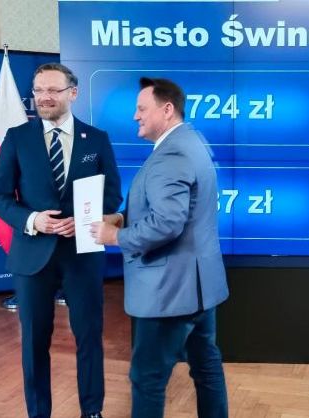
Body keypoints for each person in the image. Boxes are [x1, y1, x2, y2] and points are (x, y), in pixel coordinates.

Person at [0, 63, 122, 418]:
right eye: (38, 90)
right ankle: (38, 413)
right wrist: (33, 220)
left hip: (83, 254)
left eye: (52, 90)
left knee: (89, 337)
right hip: (32, 256)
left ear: (72, 93)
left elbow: (112, 196)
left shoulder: (97, 139)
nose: (44, 98)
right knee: (34, 342)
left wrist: (86, 220)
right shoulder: (17, 138)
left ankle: (92, 411)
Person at [91, 77, 229, 418]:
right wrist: (122, 218)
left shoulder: (171, 154)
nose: (135, 116)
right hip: (199, 288)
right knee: (206, 367)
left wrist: (115, 237)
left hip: (169, 292)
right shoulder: (192, 141)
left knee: (147, 379)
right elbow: (177, 210)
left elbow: (167, 222)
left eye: (141, 109)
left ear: (167, 110)